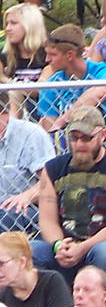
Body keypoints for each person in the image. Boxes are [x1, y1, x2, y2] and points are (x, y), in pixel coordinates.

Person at [34, 104, 106, 287]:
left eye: (87, 138)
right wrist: (58, 245)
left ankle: (100, 306)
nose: (79, 144)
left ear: (102, 135)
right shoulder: (53, 169)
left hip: (100, 244)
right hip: (64, 245)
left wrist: (83, 248)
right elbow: (47, 220)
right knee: (33, 251)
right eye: (74, 138)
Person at [0, 91, 53, 234]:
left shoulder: (31, 134)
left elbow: (51, 179)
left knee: (4, 217)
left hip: (25, 207)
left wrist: (26, 196)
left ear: (4, 115)